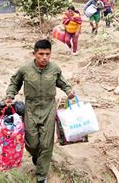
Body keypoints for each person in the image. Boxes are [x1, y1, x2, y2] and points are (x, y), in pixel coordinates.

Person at [5, 39, 75, 183]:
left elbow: (62, 82)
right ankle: (37, 156)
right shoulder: (25, 69)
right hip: (30, 108)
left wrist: (69, 91)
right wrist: (9, 96)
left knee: (46, 144)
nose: (44, 57)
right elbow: (14, 83)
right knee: (31, 142)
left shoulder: (54, 68)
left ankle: (41, 176)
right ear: (34, 54)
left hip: (49, 108)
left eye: (48, 54)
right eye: (41, 54)